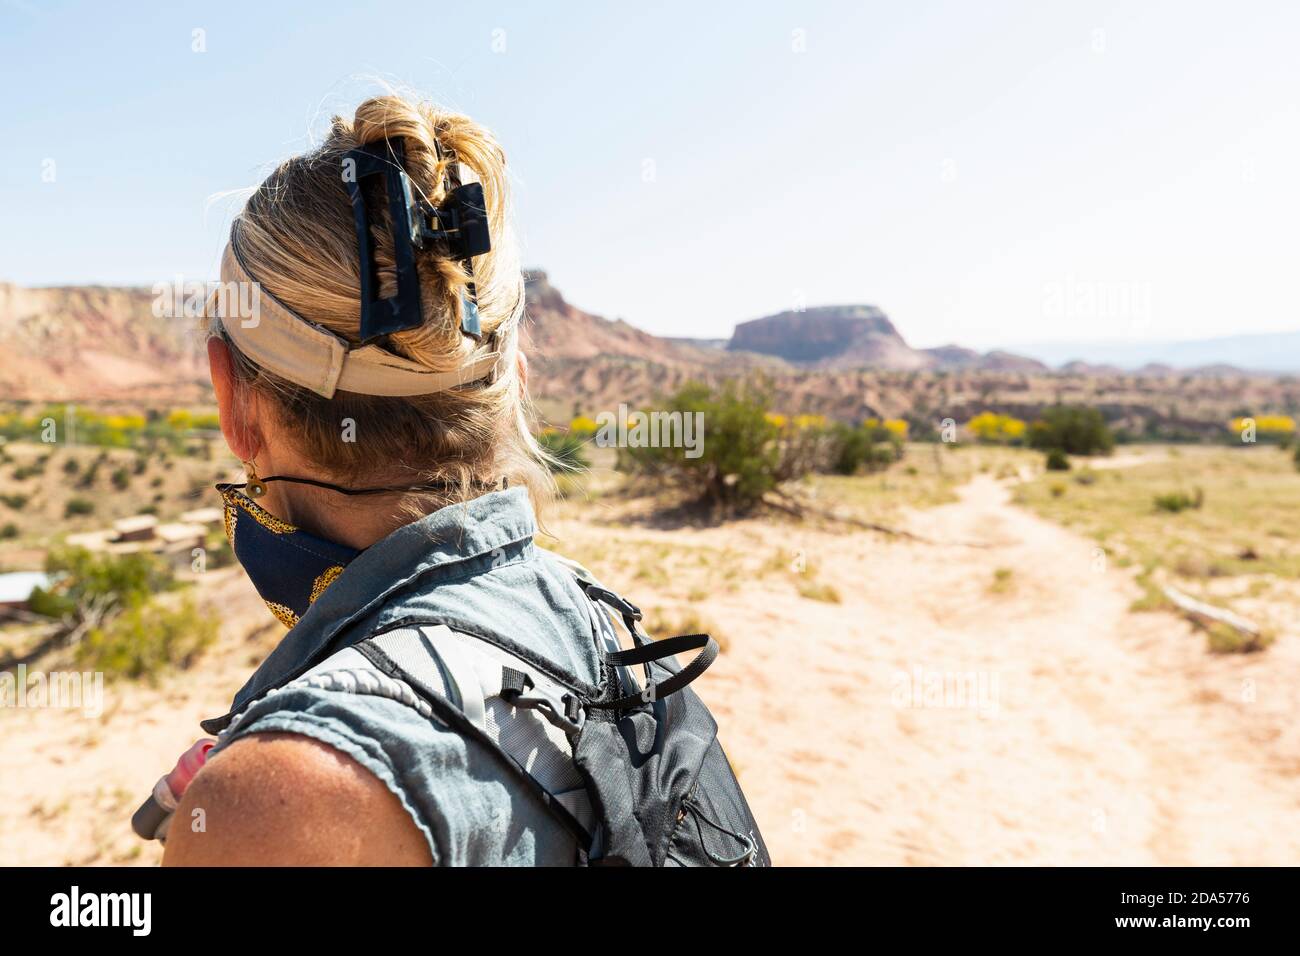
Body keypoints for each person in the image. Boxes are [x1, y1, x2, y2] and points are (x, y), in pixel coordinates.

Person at [160, 94, 767, 867]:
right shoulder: (597, 620)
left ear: (233, 399)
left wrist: (262, 791)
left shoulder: (277, 808)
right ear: (512, 379)